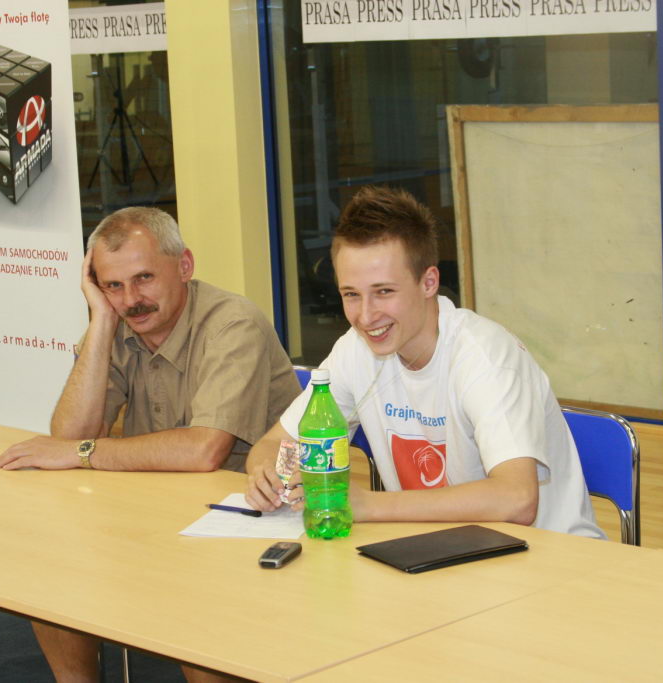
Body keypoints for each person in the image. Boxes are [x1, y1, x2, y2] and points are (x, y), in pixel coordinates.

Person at [0, 206, 300, 682]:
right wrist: (100, 322)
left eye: (143, 279)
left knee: (193, 604)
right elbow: (68, 437)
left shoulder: (232, 323)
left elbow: (203, 450)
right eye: (112, 286)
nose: (131, 300)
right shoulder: (116, 323)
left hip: (248, 516)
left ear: (184, 266)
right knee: (52, 560)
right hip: (153, 508)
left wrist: (85, 453)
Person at [245, 186, 603, 539]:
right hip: (442, 547)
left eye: (384, 291)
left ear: (429, 282)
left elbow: (517, 500)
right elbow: (274, 443)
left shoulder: (485, 356)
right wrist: (268, 473)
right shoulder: (355, 349)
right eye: (351, 294)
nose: (366, 316)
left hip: (550, 554)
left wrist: (368, 505)